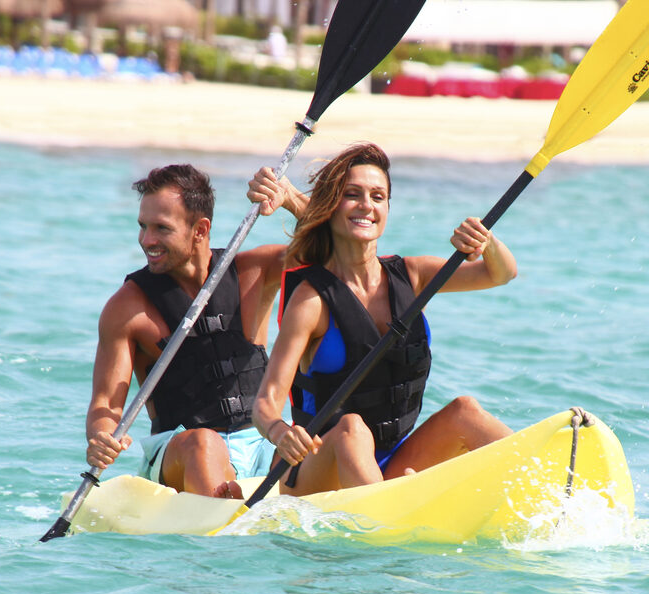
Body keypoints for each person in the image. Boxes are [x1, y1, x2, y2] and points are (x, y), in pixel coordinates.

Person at [251, 142, 517, 496]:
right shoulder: (311, 300)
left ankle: (555, 492)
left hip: (391, 461)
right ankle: (391, 511)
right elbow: (266, 401)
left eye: (378, 197)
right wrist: (280, 433)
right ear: (331, 205)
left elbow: (501, 274)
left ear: (388, 208)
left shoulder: (414, 275)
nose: (366, 205)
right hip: (314, 471)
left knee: (465, 411)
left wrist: (487, 243)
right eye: (352, 195)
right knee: (351, 428)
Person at [84, 164, 305, 498]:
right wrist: (101, 436)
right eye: (143, 227)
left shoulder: (254, 272)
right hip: (182, 452)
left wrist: (291, 199)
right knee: (204, 442)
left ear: (200, 230)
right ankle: (220, 528)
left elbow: (337, 248)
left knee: (323, 438)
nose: (147, 240)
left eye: (161, 228)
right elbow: (105, 405)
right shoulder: (127, 308)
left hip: (262, 443)